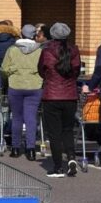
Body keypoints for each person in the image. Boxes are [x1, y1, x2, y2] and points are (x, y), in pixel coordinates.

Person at [37, 22, 81, 177]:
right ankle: (71, 157)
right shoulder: (74, 50)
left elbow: (41, 70)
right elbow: (76, 71)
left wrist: (50, 78)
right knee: (68, 129)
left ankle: (58, 167)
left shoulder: (47, 51)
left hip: (51, 96)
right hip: (70, 96)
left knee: (54, 133)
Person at [1, 24, 42, 160]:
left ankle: (15, 148)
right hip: (34, 85)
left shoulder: (12, 49)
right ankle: (31, 150)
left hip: (16, 85)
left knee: (17, 118)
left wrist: (10, 75)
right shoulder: (39, 50)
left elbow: (4, 68)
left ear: (21, 34)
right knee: (31, 118)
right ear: (34, 35)